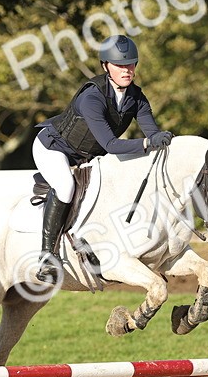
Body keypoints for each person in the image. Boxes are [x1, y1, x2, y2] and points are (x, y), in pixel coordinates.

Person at [32, 35, 173, 283]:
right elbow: (111, 144)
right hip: (54, 148)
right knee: (65, 186)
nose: (127, 70)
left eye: (131, 64)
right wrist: (146, 143)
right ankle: (47, 257)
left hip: (90, 155)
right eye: (120, 65)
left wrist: (161, 139)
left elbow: (151, 133)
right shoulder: (92, 97)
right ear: (105, 66)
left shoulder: (136, 97)